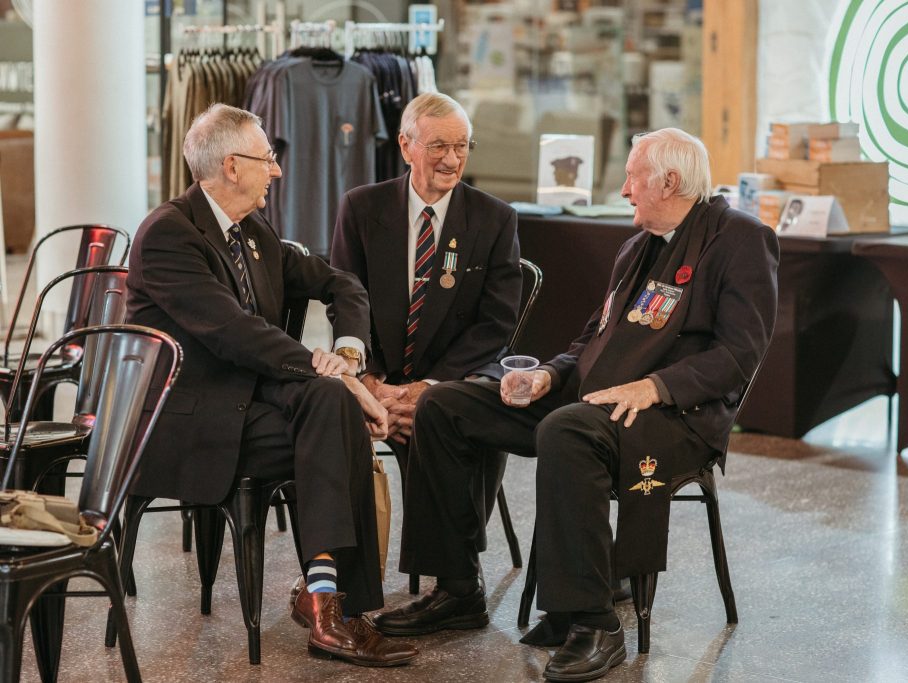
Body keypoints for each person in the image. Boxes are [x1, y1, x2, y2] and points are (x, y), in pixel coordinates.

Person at [374, 128, 779, 682]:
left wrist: (655, 387)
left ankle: (594, 623)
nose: (625, 188)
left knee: (567, 431)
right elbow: (590, 341)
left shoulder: (741, 238)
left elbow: (740, 353)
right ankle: (457, 587)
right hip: (591, 401)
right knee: (445, 405)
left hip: (674, 416)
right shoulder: (637, 246)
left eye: (634, 176)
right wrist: (547, 374)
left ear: (671, 181)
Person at [126, 103, 417, 668]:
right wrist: (342, 380)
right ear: (232, 167)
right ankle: (334, 607)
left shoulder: (250, 229)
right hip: (191, 418)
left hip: (252, 403)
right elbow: (236, 333)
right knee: (338, 419)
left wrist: (350, 357)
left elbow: (340, 281)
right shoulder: (168, 234)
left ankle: (326, 601)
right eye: (268, 158)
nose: (277, 170)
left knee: (332, 407)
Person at [330, 92, 521, 482]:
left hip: (452, 377)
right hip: (380, 375)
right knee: (329, 418)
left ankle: (451, 544)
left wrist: (428, 390)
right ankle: (345, 545)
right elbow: (347, 300)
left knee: (459, 424)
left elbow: (496, 323)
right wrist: (371, 382)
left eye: (461, 146)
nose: (451, 160)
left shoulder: (495, 219)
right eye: (437, 146)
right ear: (405, 145)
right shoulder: (362, 208)